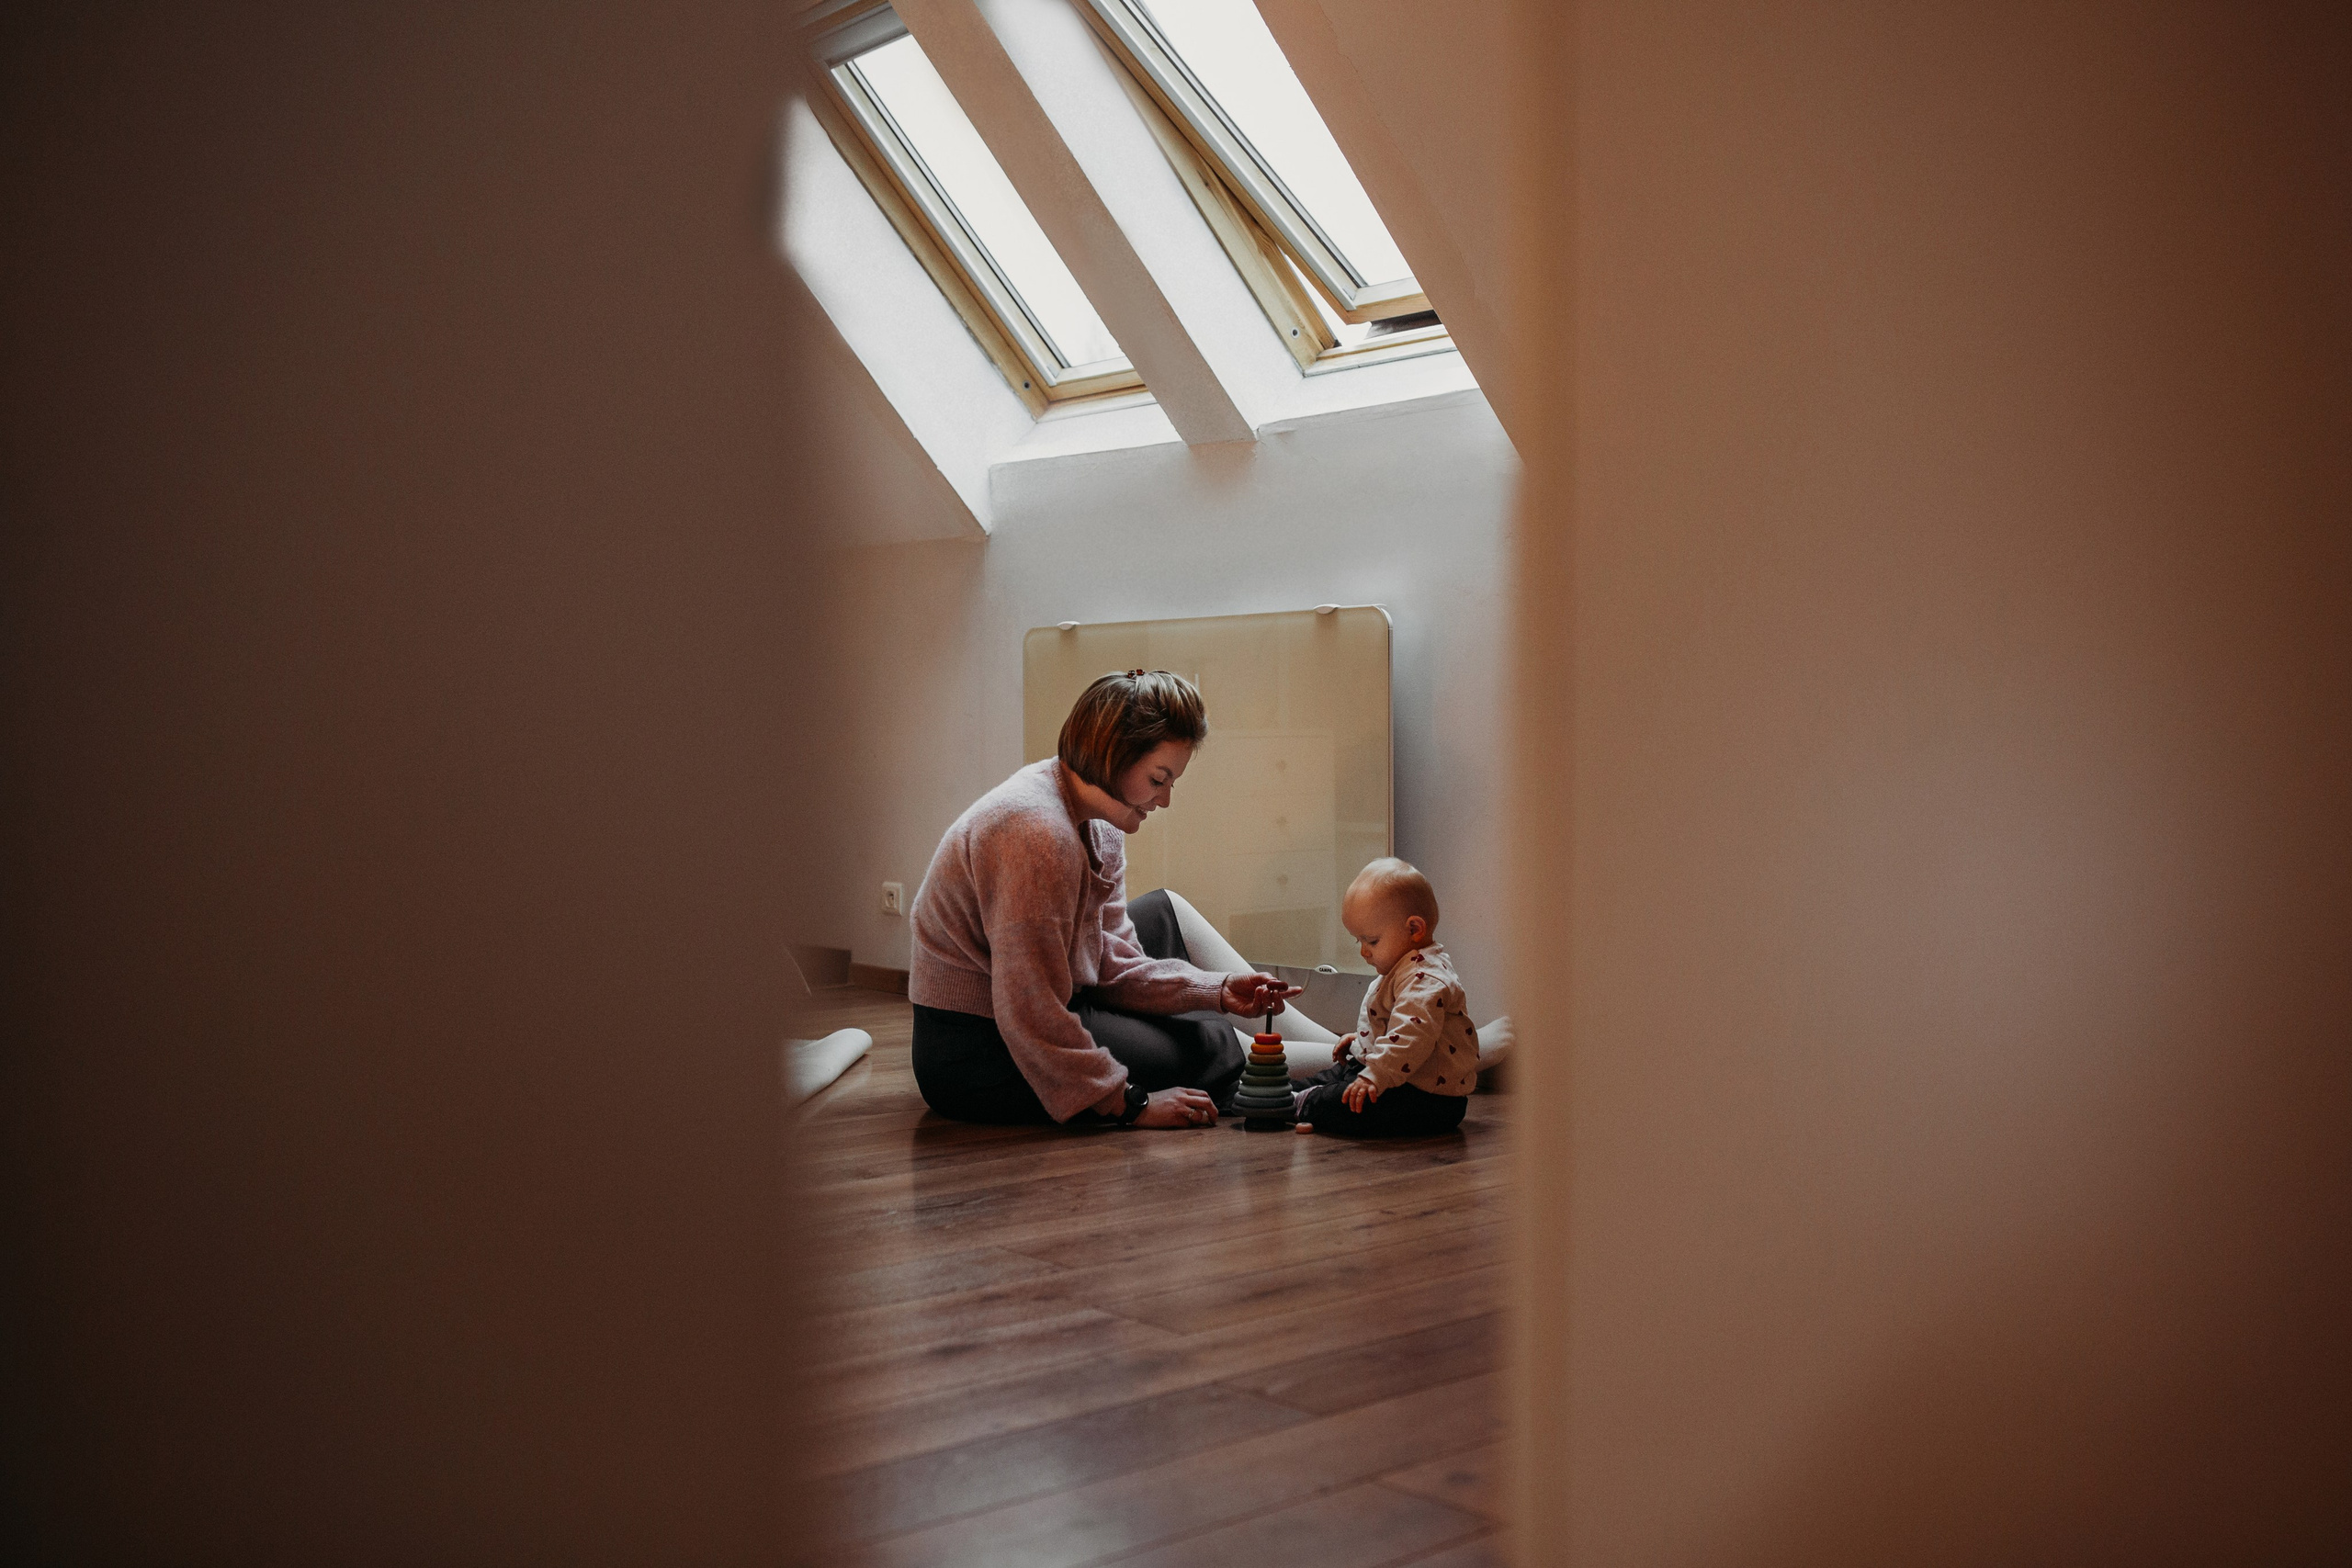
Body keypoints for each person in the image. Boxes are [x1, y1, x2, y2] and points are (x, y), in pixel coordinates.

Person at [907, 670, 1300, 1128]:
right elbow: (1029, 1010)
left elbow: (1112, 963)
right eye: (1158, 779)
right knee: (1208, 1041)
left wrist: (1216, 988)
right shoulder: (1037, 833)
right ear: (1113, 756)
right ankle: (1347, 1067)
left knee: (1176, 943)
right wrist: (1131, 1103)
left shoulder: (1099, 822)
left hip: (1041, 999)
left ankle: (1353, 1051)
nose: (1166, 800)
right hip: (974, 1049)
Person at [1293, 857, 1480, 1137]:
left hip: (1427, 1099)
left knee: (1347, 1104)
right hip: (1390, 1075)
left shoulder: (1425, 979)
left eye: (1372, 941)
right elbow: (1398, 1027)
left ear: (1414, 929)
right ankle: (1284, 1091)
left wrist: (1375, 1075)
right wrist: (1362, 1041)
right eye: (1359, 941)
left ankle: (1298, 1103)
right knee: (1328, 1079)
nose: (1363, 952)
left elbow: (1409, 1037)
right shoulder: (1403, 966)